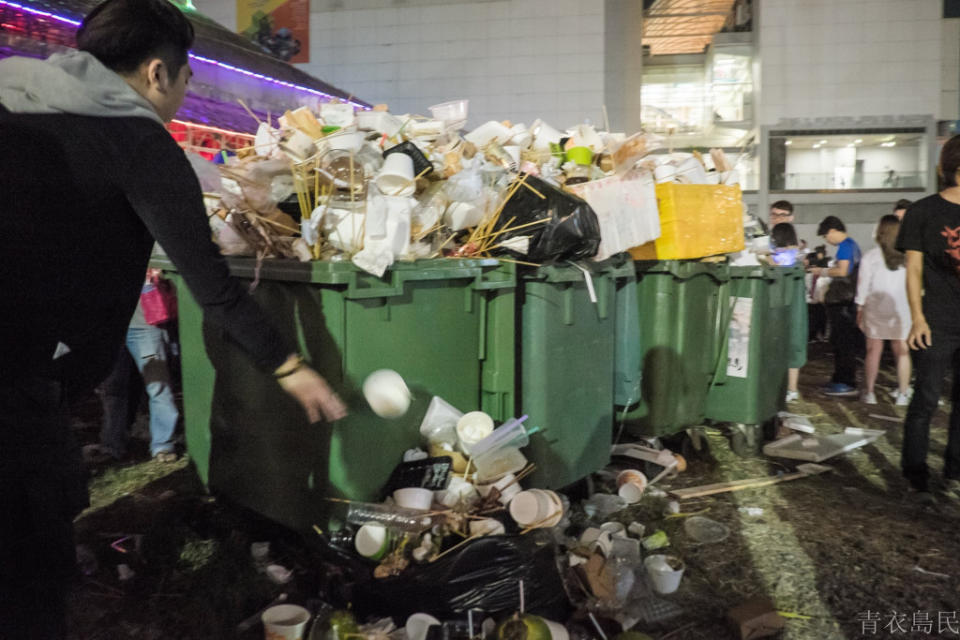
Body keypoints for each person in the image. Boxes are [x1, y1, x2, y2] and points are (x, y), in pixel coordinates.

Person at [0, 1, 347, 637]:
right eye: (185, 81)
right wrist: (291, 366)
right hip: (17, 387)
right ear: (158, 73)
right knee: (32, 581)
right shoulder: (137, 141)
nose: (183, 97)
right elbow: (212, 285)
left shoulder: (15, 102)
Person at [896, 135, 960, 501]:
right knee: (927, 399)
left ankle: (955, 469)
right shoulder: (924, 211)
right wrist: (917, 318)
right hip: (936, 320)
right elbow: (913, 270)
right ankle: (915, 471)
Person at [92, 275, 180, 463]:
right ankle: (112, 445)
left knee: (157, 383)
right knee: (113, 388)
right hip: (113, 328)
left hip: (144, 328)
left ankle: (162, 445)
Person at [855, 215, 911, 406]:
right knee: (902, 351)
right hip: (901, 309)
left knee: (873, 350)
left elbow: (863, 286)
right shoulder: (908, 256)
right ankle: (903, 393)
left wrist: (860, 307)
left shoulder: (871, 256)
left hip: (876, 306)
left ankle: (869, 392)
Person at [809, 216, 862, 396]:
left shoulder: (845, 246)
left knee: (843, 342)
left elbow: (843, 271)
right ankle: (840, 379)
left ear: (832, 231)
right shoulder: (851, 245)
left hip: (842, 302)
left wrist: (821, 271)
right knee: (841, 342)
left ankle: (845, 381)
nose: (826, 241)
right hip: (846, 301)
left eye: (825, 236)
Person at [765, 223, 807, 403]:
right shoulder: (797, 256)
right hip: (797, 308)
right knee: (794, 345)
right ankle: (792, 389)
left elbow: (776, 266)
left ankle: (780, 387)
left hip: (777, 305)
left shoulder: (782, 256)